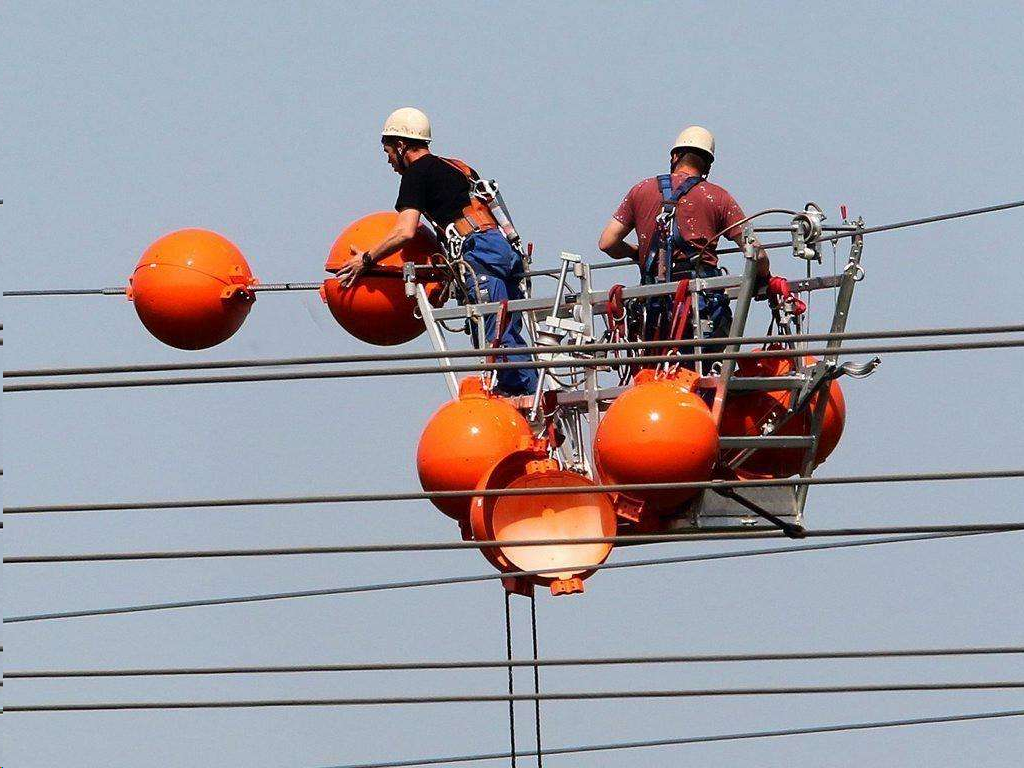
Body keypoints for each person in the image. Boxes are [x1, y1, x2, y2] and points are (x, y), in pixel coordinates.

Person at [335, 107, 538, 397]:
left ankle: (522, 401)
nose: (389, 161)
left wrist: (366, 259)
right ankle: (534, 397)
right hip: (502, 250)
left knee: (496, 336)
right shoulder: (458, 167)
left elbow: (405, 231)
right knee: (509, 330)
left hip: (478, 252)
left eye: (388, 151)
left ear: (402, 145)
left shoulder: (416, 174)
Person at [598, 125, 771, 340]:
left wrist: (636, 253)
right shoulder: (718, 197)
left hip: (653, 309)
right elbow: (757, 253)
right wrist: (765, 280)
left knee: (655, 370)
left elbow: (607, 242)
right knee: (710, 368)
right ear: (708, 165)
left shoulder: (641, 190)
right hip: (701, 308)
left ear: (674, 156)